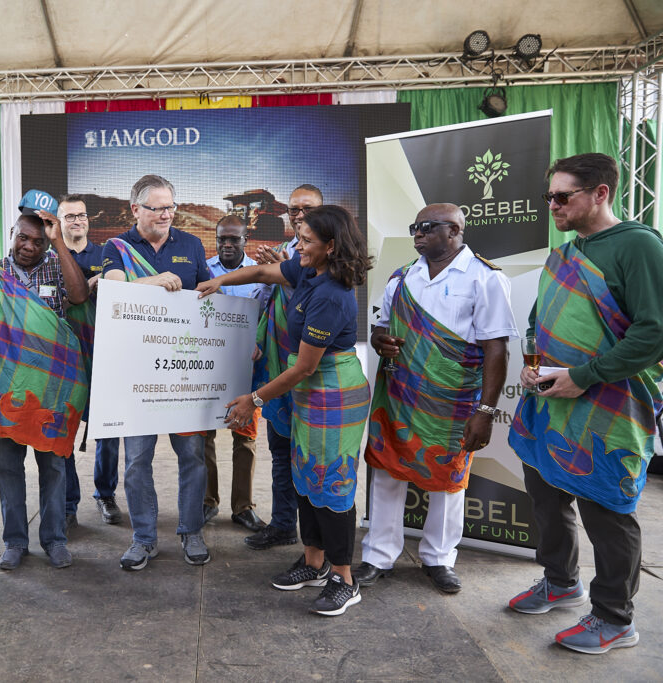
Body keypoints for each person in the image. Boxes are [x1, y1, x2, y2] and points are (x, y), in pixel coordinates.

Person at [507, 153, 663, 654]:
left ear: (600, 193)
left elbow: (654, 332)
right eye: (549, 196)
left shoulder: (638, 245)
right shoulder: (564, 253)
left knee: (607, 510)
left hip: (610, 404)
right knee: (546, 495)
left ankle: (615, 618)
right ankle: (560, 581)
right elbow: (537, 320)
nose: (552, 205)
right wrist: (533, 364)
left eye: (562, 196)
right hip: (549, 401)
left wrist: (584, 376)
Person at [198, 205, 372, 616]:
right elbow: (261, 272)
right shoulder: (309, 271)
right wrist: (219, 280)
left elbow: (305, 367)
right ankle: (313, 562)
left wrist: (254, 399)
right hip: (308, 392)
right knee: (306, 476)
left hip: (332, 392)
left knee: (331, 483)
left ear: (331, 246)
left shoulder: (332, 294)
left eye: (307, 241)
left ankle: (344, 579)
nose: (298, 247)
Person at [358, 203, 515, 594]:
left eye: (427, 227)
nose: (418, 233)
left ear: (455, 231)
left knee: (448, 480)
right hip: (399, 394)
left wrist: (485, 412)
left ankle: (439, 558)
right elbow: (380, 327)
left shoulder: (485, 278)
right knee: (387, 472)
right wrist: (379, 341)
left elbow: (496, 349)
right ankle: (378, 555)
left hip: (453, 400)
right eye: (415, 226)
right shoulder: (401, 276)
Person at [0, 192, 89, 571]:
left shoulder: (57, 267)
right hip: (6, 390)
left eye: (39, 241)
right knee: (8, 469)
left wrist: (58, 242)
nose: (29, 247)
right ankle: (15, 541)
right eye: (23, 238)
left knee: (53, 468)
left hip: (53, 392)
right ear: (11, 234)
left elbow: (79, 295)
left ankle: (54, 539)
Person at [102, 174, 212, 570]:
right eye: (157, 208)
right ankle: (144, 538)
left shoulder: (192, 244)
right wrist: (154, 282)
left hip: (184, 371)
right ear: (136, 209)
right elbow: (113, 289)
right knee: (136, 461)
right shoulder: (116, 246)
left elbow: (208, 297)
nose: (166, 215)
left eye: (170, 207)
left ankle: (191, 531)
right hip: (137, 373)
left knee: (193, 456)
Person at [244, 184, 324, 550]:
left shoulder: (331, 254)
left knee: (311, 456)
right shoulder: (283, 250)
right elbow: (262, 299)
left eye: (308, 208)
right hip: (277, 368)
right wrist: (269, 271)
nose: (299, 215)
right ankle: (282, 524)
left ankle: (317, 542)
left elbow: (313, 301)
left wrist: (284, 272)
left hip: (311, 372)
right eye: (294, 209)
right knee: (280, 451)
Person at [58, 194, 122, 527]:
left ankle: (105, 494)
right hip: (65, 357)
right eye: (69, 216)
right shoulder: (52, 258)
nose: (77, 221)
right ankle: (68, 502)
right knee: (63, 431)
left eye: (81, 215)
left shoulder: (106, 255)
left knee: (108, 431)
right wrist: (82, 287)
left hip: (104, 353)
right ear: (58, 222)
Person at [203, 215, 270, 532]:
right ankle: (207, 502)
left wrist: (259, 341)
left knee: (245, 438)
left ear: (246, 239)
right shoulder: (204, 270)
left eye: (234, 239)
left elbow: (267, 316)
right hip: (207, 367)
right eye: (222, 239)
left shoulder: (261, 274)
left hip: (247, 371)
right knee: (204, 437)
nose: (227, 244)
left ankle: (243, 507)